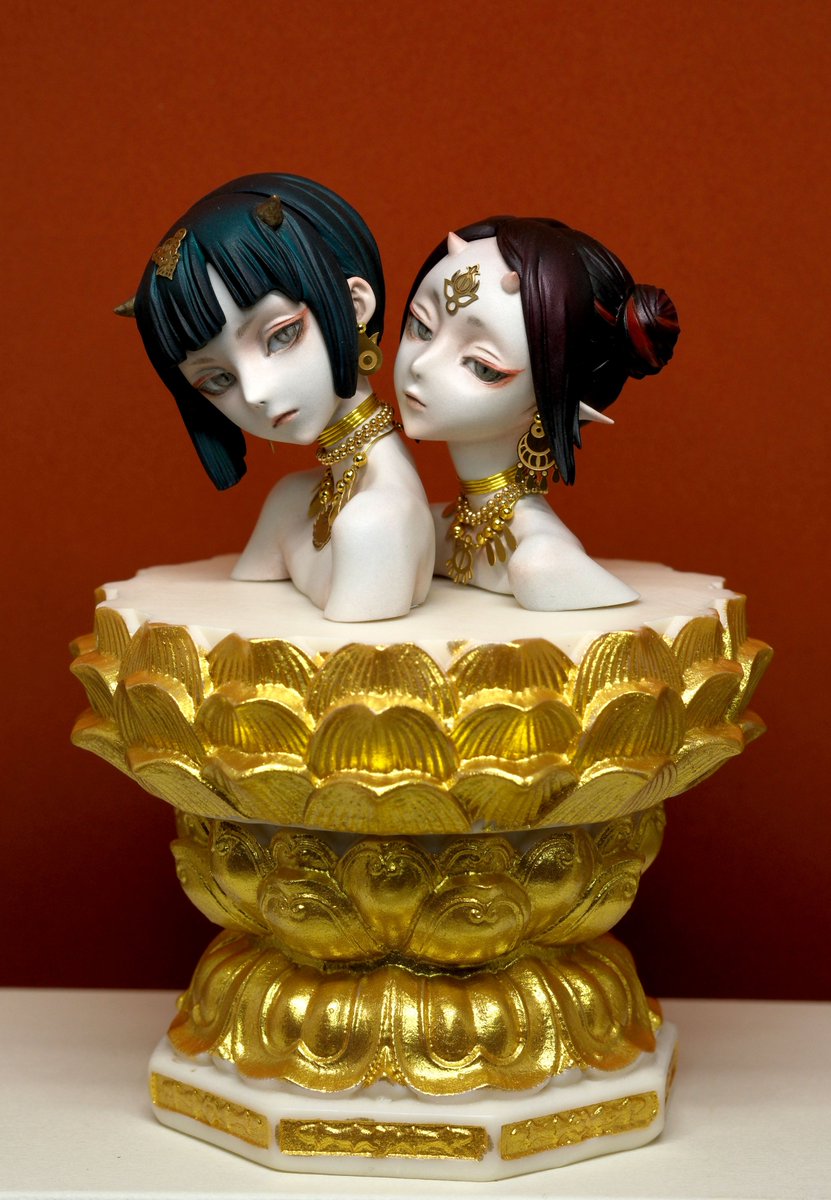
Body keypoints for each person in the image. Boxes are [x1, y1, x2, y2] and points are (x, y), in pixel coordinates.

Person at [126, 173, 434, 622]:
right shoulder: (289, 501)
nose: (255, 393)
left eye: (281, 335)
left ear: (353, 306)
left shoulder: (377, 522)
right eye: (217, 380)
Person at [394, 219, 679, 610]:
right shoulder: (430, 527)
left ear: (552, 402)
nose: (420, 364)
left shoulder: (541, 561)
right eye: (422, 327)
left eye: (482, 367)